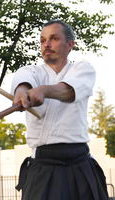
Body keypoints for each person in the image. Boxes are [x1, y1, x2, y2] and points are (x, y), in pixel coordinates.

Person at [11, 20, 109, 200]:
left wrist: (44, 91)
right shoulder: (30, 71)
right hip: (42, 167)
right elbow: (22, 84)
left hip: (80, 164)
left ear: (70, 44)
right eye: (42, 40)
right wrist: (22, 92)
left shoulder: (82, 69)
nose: (46, 44)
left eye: (54, 38)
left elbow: (67, 91)